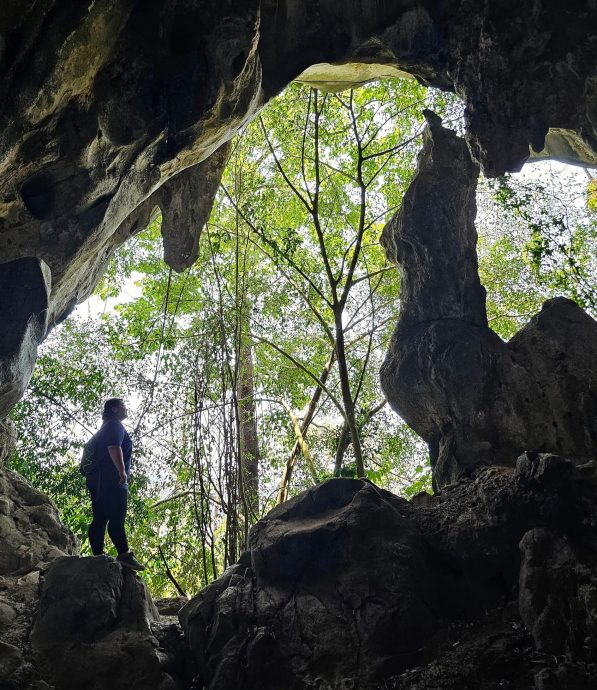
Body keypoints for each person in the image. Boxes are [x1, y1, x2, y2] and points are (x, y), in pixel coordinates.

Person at [86, 397, 145, 571]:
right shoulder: (115, 426)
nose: (126, 410)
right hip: (113, 480)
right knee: (117, 518)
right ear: (114, 409)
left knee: (100, 518)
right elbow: (113, 447)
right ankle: (124, 554)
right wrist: (121, 471)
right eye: (123, 406)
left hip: (98, 481)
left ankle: (98, 555)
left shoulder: (105, 427)